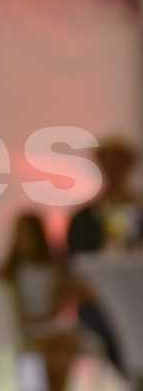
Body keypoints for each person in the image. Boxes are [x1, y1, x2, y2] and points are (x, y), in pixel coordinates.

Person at [67, 136, 141, 371]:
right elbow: (73, 267)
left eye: (119, 162)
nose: (114, 169)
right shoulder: (84, 218)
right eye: (108, 162)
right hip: (97, 310)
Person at [0, 211, 76, 391]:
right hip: (27, 327)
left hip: (49, 324)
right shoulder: (11, 271)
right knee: (52, 350)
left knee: (62, 347)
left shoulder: (55, 266)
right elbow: (13, 309)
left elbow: (57, 303)